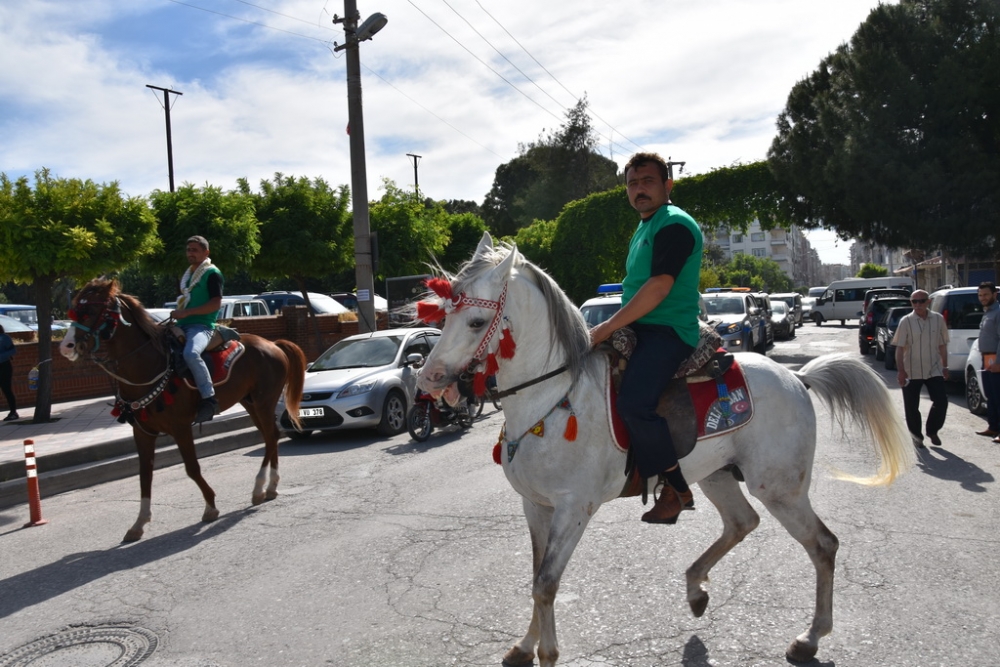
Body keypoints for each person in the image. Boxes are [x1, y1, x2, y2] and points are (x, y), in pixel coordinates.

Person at [590, 152, 703, 524]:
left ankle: (676, 488)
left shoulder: (673, 224)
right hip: (641, 327)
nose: (639, 190)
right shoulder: (645, 226)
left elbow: (657, 288)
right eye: (632, 183)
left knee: (635, 404)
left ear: (667, 185)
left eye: (648, 182)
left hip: (668, 331)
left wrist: (606, 328)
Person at [169, 235, 224, 423]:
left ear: (206, 252)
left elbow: (216, 304)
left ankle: (209, 399)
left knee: (191, 354)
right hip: (181, 325)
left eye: (195, 250)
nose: (190, 253)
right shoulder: (189, 275)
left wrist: (186, 313)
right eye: (188, 250)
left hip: (202, 326)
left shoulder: (212, 273)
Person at [891, 289, 949, 448]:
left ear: (928, 301)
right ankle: (916, 436)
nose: (917, 305)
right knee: (911, 407)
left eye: (921, 301)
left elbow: (943, 345)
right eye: (914, 301)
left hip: (934, 369)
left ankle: (932, 430)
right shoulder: (906, 321)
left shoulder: (938, 319)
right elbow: (899, 348)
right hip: (911, 370)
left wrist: (945, 366)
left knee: (941, 401)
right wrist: (901, 371)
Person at [975, 281, 1000, 441]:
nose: (982, 298)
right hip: (987, 359)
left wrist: (999, 362)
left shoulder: (998, 312)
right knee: (991, 395)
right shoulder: (987, 312)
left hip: (996, 360)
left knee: (999, 396)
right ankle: (993, 427)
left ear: (994, 295)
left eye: (986, 294)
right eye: (980, 295)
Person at [0, 324, 18, 421]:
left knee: (6, 388)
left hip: (4, 366)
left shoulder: (4, 338)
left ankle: (13, 412)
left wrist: (1, 356)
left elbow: (13, 350)